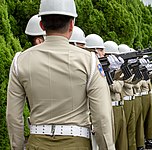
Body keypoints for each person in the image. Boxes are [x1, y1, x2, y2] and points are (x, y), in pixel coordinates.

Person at [6, 0, 115, 149]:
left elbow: (13, 116)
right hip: (76, 143)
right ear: (71, 25)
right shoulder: (89, 60)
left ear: (42, 25)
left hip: (37, 143)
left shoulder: (20, 60)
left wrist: (17, 147)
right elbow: (102, 116)